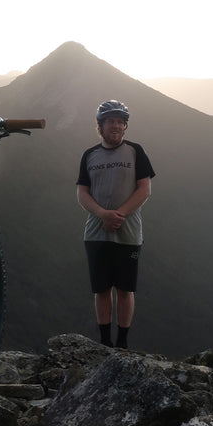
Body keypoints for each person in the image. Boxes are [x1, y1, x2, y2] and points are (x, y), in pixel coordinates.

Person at [76, 100, 155, 349]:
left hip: (128, 233)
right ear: (100, 126)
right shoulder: (89, 155)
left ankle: (121, 344)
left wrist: (118, 215)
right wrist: (103, 215)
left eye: (121, 122)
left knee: (124, 289)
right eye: (111, 121)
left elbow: (145, 189)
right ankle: (104, 343)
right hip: (96, 233)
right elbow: (82, 193)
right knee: (101, 289)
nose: (117, 126)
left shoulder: (135, 151)